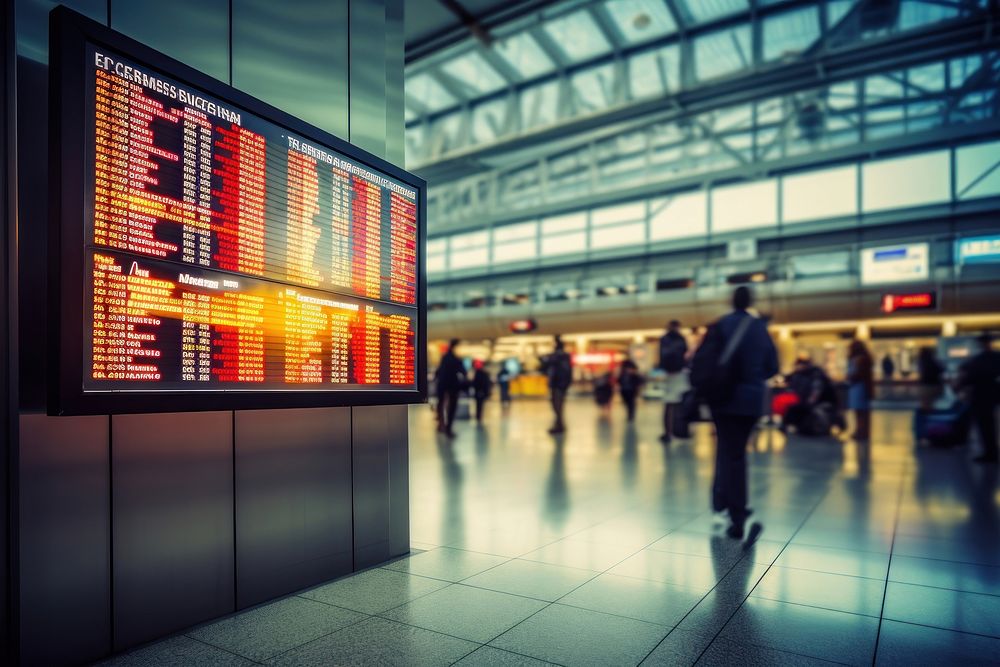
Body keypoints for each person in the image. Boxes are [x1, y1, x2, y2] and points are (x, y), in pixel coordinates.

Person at [707, 286, 777, 540]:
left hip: (723, 399)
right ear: (750, 302)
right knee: (735, 452)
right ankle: (733, 510)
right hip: (750, 401)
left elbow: (706, 361)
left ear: (731, 301)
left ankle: (725, 505)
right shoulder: (759, 328)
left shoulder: (721, 325)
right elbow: (772, 367)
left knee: (728, 449)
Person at [956, 333, 1000, 463]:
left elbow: (969, 377)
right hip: (993, 394)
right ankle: (992, 451)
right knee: (991, 424)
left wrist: (960, 385)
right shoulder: (996, 357)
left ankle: (990, 452)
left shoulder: (978, 360)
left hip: (980, 395)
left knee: (985, 425)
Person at [782, 357, 838, 435]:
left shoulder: (815, 375)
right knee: (794, 408)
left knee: (797, 409)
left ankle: (797, 427)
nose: (796, 368)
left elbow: (816, 391)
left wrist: (809, 402)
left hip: (822, 403)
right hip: (815, 402)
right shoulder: (806, 374)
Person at [659, 320, 689, 443]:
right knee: (681, 403)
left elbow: (662, 356)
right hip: (681, 373)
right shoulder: (681, 338)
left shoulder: (664, 339)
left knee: (668, 404)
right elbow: (685, 354)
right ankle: (680, 430)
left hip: (669, 374)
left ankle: (668, 432)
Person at [434, 339, 466, 437]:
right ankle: (448, 428)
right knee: (451, 407)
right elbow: (464, 372)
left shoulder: (444, 357)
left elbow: (438, 371)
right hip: (452, 386)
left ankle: (441, 425)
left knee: (441, 404)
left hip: (442, 385)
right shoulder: (456, 359)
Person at [914, 346, 945, 445]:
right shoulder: (934, 361)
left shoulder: (921, 362)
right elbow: (942, 370)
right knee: (932, 411)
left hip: (925, 388)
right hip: (935, 387)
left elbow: (921, 374)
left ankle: (923, 434)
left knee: (924, 411)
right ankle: (931, 432)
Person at [847, 340, 874, 441]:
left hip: (859, 386)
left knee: (861, 411)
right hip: (857, 387)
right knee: (860, 411)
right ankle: (861, 431)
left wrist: (851, 377)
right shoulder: (861, 358)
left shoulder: (861, 359)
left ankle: (862, 431)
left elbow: (859, 374)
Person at [546, 336, 573, 434]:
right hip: (558, 384)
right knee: (556, 405)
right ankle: (559, 424)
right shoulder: (561, 357)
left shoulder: (560, 357)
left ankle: (559, 425)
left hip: (559, 384)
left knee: (557, 405)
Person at [618, 358, 644, 423]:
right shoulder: (622, 374)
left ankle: (631, 415)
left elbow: (640, 381)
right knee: (627, 403)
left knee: (631, 403)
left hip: (632, 390)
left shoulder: (634, 375)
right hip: (624, 390)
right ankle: (630, 414)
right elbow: (619, 381)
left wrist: (638, 388)